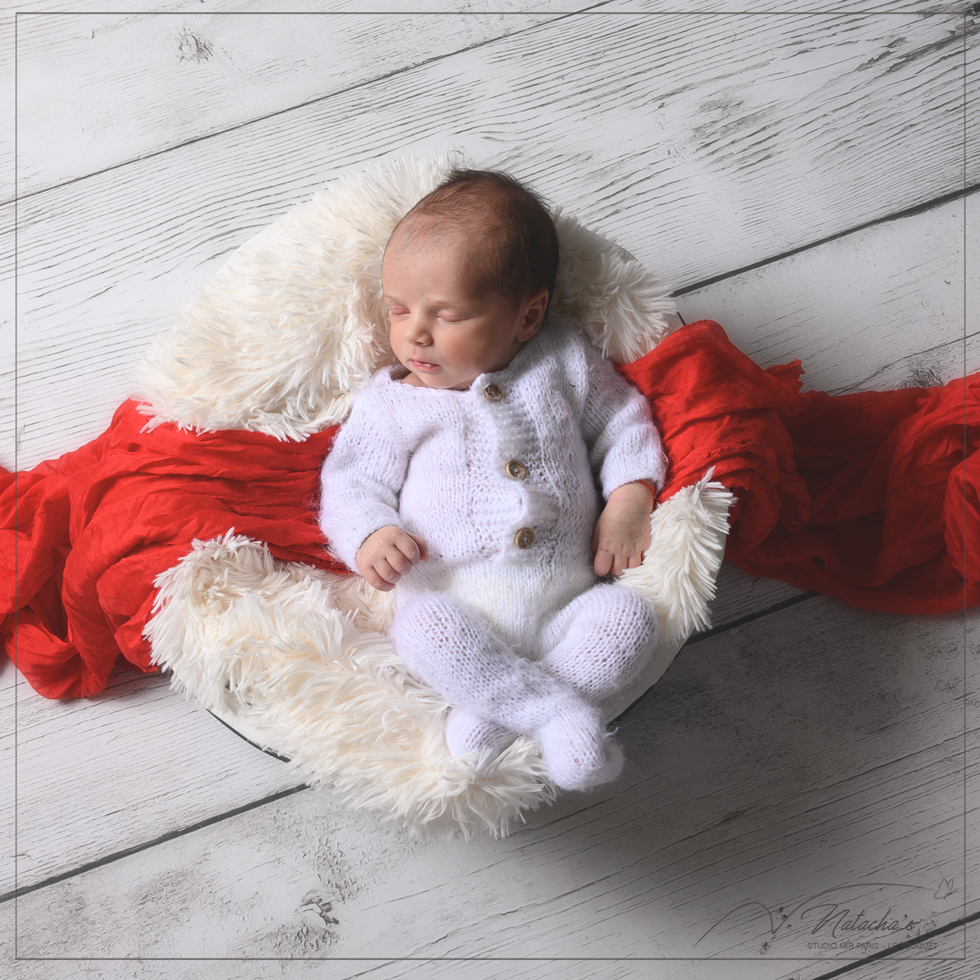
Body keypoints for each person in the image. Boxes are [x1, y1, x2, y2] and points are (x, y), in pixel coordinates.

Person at [319, 169, 666, 790]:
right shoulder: (392, 404)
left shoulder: (561, 360)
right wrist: (371, 533)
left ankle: (493, 715)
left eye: (447, 315)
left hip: (568, 603)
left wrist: (630, 494)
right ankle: (558, 716)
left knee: (631, 623)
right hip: (457, 607)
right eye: (398, 310)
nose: (414, 334)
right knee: (420, 627)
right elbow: (350, 481)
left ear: (527, 316)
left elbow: (621, 420)